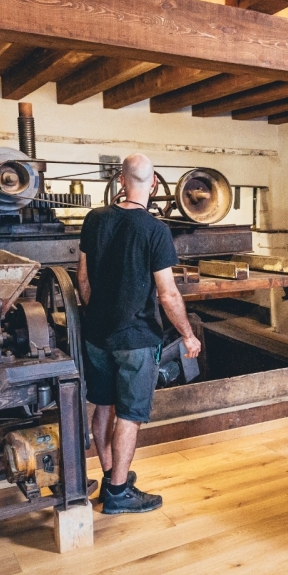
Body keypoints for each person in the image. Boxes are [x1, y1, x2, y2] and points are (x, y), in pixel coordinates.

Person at [77, 153, 201, 515]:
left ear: (120, 180)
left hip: (97, 335)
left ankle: (108, 473)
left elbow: (82, 279)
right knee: (129, 414)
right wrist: (188, 335)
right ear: (155, 185)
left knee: (103, 404)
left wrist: (98, 316)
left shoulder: (94, 219)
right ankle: (118, 493)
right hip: (136, 341)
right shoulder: (155, 230)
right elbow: (167, 293)